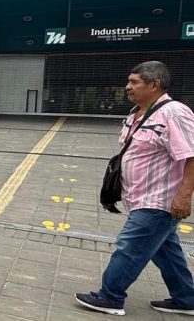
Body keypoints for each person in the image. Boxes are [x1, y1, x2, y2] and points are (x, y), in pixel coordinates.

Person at [76, 61, 194, 316]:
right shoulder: (136, 113)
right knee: (166, 251)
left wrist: (185, 196)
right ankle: (186, 299)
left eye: (134, 82)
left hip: (159, 200)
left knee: (129, 247)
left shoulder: (174, 113)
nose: (127, 87)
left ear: (154, 84)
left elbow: (191, 155)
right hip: (140, 198)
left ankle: (110, 296)